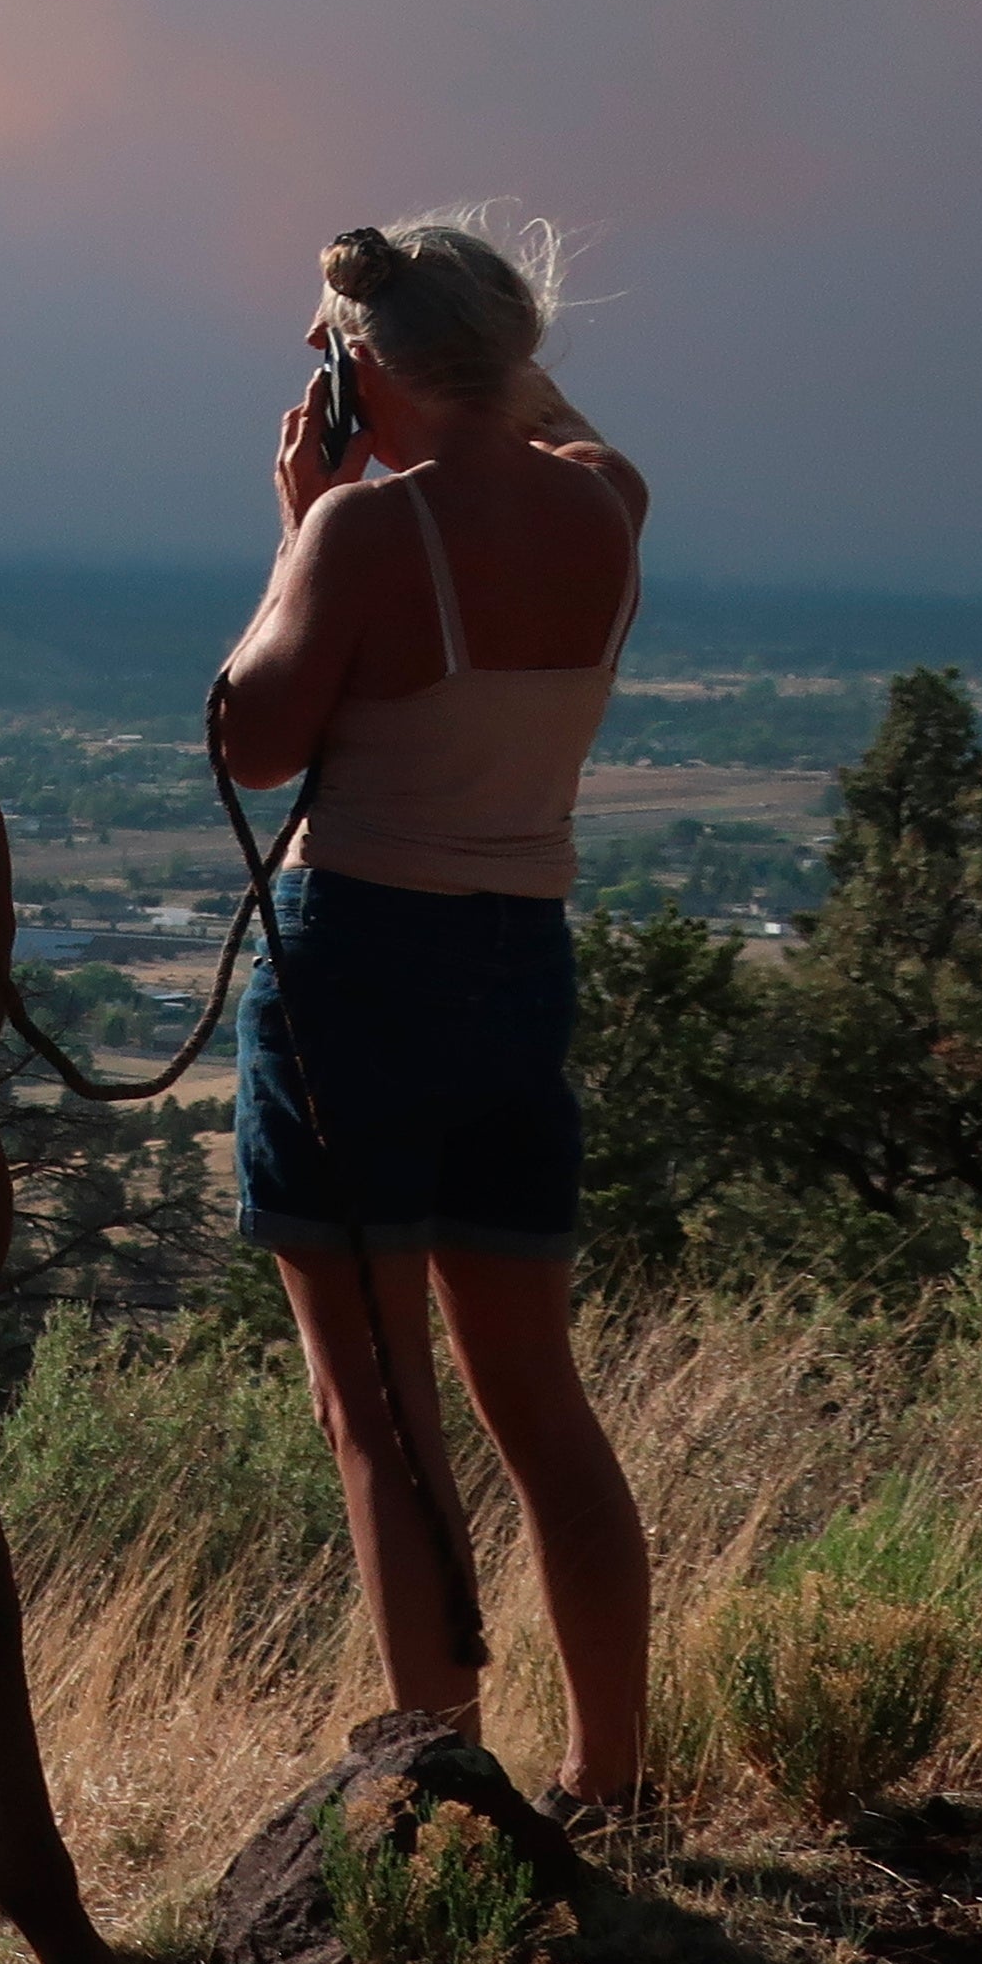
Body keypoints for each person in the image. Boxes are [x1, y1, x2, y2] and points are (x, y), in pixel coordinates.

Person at [209, 213, 654, 1815]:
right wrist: (461, 359)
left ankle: (444, 1786)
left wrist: (299, 522)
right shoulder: (610, 505)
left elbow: (255, 742)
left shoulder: (364, 533)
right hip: (520, 961)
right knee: (537, 1397)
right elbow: (568, 423)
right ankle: (610, 1780)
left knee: (378, 1403)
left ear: (356, 369)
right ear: (514, 356)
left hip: (359, 964)